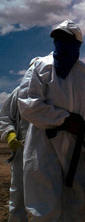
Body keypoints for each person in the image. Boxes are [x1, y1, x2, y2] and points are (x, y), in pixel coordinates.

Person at [17, 19, 85, 222]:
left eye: (66, 39)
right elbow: (28, 105)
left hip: (77, 150)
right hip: (43, 147)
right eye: (58, 38)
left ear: (78, 45)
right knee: (44, 208)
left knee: (77, 206)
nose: (61, 43)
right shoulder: (40, 68)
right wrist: (64, 120)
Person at [0, 85, 30, 222]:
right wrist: (10, 133)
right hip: (22, 150)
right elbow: (5, 115)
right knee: (19, 195)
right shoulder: (20, 91)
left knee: (48, 196)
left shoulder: (55, 88)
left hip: (48, 152)